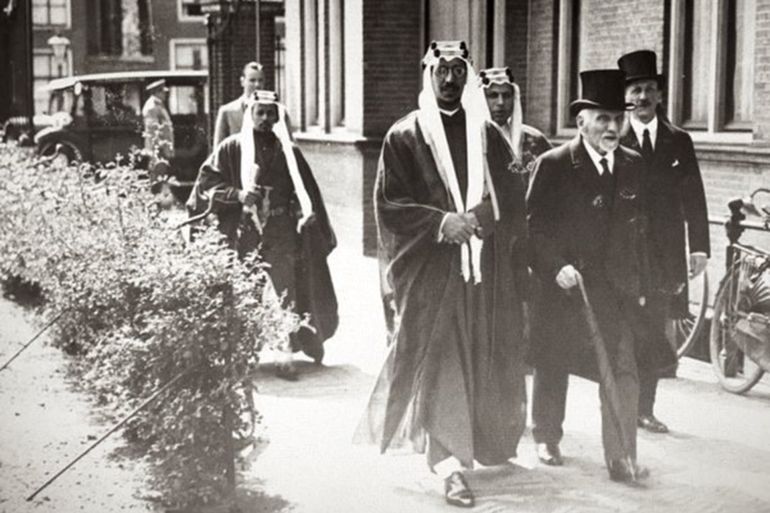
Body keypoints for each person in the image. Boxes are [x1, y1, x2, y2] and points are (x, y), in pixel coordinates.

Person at [355, 41, 529, 508]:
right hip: (432, 274)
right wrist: (440, 222)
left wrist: (482, 217)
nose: (450, 79)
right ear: (428, 74)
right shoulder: (404, 136)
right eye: (442, 71)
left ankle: (478, 444)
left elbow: (512, 194)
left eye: (458, 70)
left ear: (467, 75)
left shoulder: (486, 133)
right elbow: (390, 206)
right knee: (443, 361)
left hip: (481, 274)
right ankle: (450, 467)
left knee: (480, 356)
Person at [527, 69, 668, 482]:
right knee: (554, 362)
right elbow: (532, 230)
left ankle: (621, 456)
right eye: (602, 118)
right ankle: (547, 435)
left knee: (622, 369)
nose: (612, 127)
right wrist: (555, 267)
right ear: (581, 121)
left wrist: (642, 282)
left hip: (615, 290)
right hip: (564, 287)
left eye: (617, 118)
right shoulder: (554, 165)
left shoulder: (633, 165)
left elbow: (641, 229)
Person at [186, 90, 338, 380]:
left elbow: (306, 191)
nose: (266, 118)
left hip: (281, 232)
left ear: (278, 116)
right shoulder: (232, 148)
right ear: (250, 115)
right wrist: (238, 194)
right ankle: (242, 355)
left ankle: (285, 356)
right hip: (246, 232)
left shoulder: (289, 152)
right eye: (260, 113)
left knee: (285, 291)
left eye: (271, 113)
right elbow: (206, 185)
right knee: (247, 291)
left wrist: (304, 212)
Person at [618, 50, 709, 433]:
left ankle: (645, 409)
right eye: (635, 90)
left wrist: (699, 247)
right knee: (623, 331)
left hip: (662, 256)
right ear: (626, 97)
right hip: (622, 253)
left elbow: (694, 195)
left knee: (653, 331)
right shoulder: (614, 137)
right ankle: (619, 407)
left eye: (648, 90)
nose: (642, 97)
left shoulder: (678, 141)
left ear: (659, 95)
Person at [478, 66, 552, 183]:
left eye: (506, 96)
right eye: (493, 96)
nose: (500, 102)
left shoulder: (535, 139)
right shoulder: (469, 140)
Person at [213, 62, 265, 147]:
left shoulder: (275, 111)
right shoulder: (227, 111)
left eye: (260, 80)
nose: (257, 85)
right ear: (242, 82)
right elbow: (218, 148)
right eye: (252, 80)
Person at [142, 79, 175, 169]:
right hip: (158, 149)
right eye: (163, 92)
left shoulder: (158, 105)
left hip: (162, 147)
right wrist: (158, 148)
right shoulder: (152, 107)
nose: (165, 95)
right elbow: (152, 130)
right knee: (158, 171)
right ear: (157, 92)